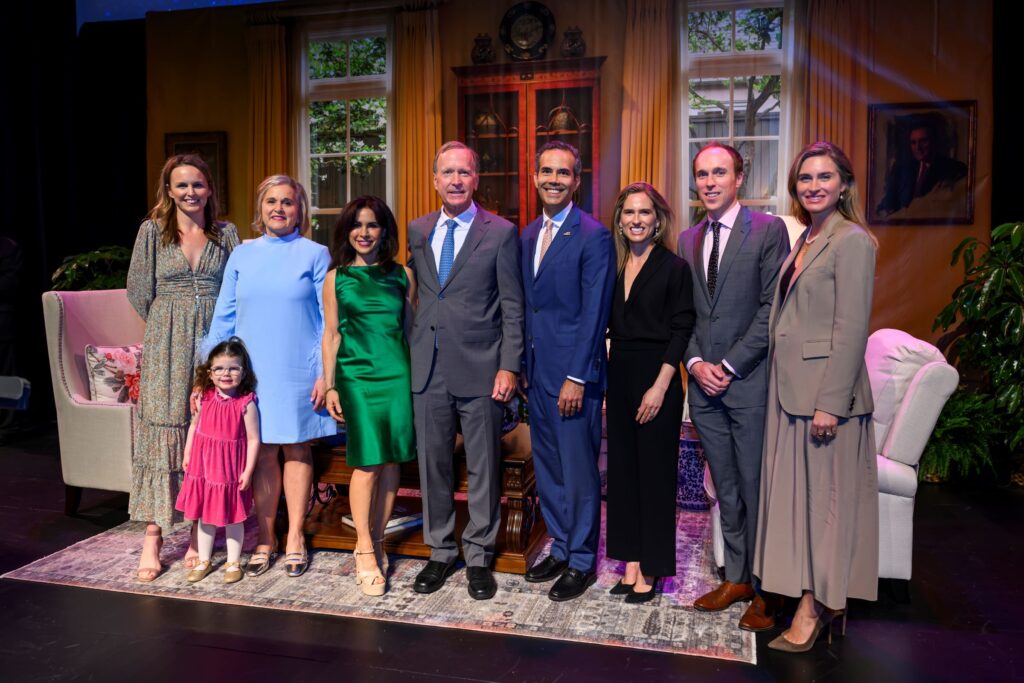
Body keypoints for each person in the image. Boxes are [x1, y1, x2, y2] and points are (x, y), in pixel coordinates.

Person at [754, 141, 879, 653]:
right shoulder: (806, 235)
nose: (813, 186)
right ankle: (809, 596)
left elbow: (851, 329)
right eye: (805, 178)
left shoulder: (853, 241)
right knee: (801, 510)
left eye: (824, 177)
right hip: (789, 395)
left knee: (824, 512)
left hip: (824, 402)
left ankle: (818, 607)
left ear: (844, 184)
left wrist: (831, 402)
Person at [677, 142, 790, 630]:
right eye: (702, 174)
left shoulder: (768, 230)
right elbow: (683, 315)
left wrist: (729, 364)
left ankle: (769, 590)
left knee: (754, 486)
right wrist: (697, 362)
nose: (709, 182)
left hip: (748, 386)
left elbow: (773, 308)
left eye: (719, 172)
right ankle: (738, 577)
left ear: (739, 178)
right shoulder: (686, 239)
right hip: (703, 389)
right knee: (724, 488)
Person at [406, 141, 524, 600]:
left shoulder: (500, 232)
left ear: (477, 180)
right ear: (435, 179)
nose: (455, 180)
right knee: (432, 466)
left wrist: (509, 367)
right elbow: (414, 296)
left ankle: (478, 555)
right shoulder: (417, 230)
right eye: (447, 172)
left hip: (482, 368)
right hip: (427, 369)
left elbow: (513, 307)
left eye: (464, 173)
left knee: (484, 469)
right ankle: (439, 551)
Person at [203, 175, 336, 578]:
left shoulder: (315, 253)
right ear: (260, 209)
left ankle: (294, 536)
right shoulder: (241, 255)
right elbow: (224, 314)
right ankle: (265, 536)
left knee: (296, 449)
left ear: (300, 210)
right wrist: (211, 375)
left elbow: (328, 319)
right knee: (260, 453)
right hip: (251, 371)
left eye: (288, 202)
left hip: (299, 369)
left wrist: (322, 374)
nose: (279, 208)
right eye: (271, 202)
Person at [127, 154, 240, 582]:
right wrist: (167, 323)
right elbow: (139, 290)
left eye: (198, 184)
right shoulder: (152, 232)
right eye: (182, 186)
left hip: (213, 340)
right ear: (169, 191)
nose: (190, 192)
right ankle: (154, 534)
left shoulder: (226, 234)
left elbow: (237, 287)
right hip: (166, 341)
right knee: (164, 427)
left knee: (207, 428)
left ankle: (199, 527)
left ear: (210, 189)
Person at [521, 141, 615, 601]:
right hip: (536, 374)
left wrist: (578, 376)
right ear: (535, 177)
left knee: (578, 471)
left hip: (573, 378)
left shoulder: (593, 235)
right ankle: (560, 544)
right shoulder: (526, 235)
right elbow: (527, 306)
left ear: (577, 181)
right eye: (546, 171)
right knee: (550, 466)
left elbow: (596, 312)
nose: (554, 179)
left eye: (564, 172)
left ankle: (582, 560)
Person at [321, 196, 416, 597]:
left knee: (391, 460)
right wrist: (329, 385)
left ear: (384, 231)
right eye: (357, 225)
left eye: (372, 225)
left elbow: (410, 332)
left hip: (397, 375)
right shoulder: (336, 278)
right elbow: (331, 335)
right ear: (347, 231)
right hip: (356, 376)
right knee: (367, 462)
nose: (364, 232)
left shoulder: (403, 276)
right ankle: (363, 547)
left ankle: (377, 539)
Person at [605, 183, 695, 603]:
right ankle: (630, 561)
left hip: (656, 378)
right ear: (620, 221)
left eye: (644, 213)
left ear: (657, 220)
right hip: (619, 373)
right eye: (629, 214)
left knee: (654, 477)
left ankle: (653, 568)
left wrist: (660, 387)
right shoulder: (616, 267)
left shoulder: (674, 268)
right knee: (623, 474)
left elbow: (681, 331)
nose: (636, 220)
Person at [176, 338, 259, 584]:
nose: (226, 373)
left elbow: (254, 440)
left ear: (243, 373)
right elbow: (194, 427)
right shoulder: (205, 398)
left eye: (233, 368)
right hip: (203, 468)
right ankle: (204, 559)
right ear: (209, 373)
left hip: (230, 470)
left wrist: (249, 470)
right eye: (220, 368)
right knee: (204, 516)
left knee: (234, 516)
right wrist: (188, 453)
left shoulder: (246, 403)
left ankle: (233, 562)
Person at [875, 120, 968, 216]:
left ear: (934, 141)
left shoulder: (954, 169)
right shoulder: (901, 169)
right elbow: (885, 205)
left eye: (923, 141)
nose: (917, 148)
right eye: (913, 143)